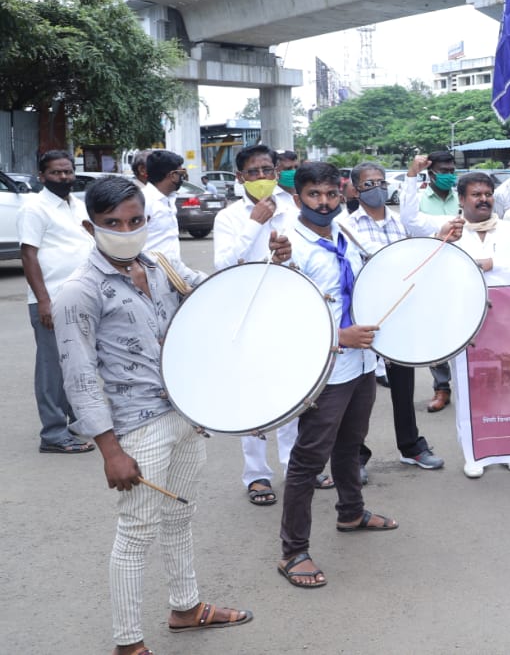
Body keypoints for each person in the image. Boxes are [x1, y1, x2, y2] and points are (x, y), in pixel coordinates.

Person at [56, 176, 272, 652]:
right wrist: (109, 451)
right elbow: (79, 377)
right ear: (90, 227)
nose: (125, 230)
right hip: (135, 427)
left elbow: (219, 298)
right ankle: (128, 642)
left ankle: (186, 607)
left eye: (134, 221)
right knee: (136, 532)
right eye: (112, 223)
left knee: (179, 515)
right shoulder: (79, 291)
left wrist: (270, 263)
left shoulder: (162, 268)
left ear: (146, 221)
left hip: (184, 412)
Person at [277, 161, 395, 590]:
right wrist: (338, 335)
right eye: (314, 195)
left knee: (351, 444)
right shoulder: (288, 246)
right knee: (308, 459)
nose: (324, 203)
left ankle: (351, 511)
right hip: (324, 366)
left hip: (362, 363)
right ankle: (293, 551)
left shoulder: (346, 231)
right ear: (297, 198)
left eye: (330, 194)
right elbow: (279, 315)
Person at [212, 144, 326, 505]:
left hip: (289, 307)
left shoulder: (294, 209)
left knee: (294, 392)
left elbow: (312, 256)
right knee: (254, 393)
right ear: (239, 177)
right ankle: (257, 475)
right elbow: (224, 266)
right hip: (247, 311)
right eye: (252, 172)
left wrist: (290, 256)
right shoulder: (229, 218)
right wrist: (253, 225)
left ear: (277, 172)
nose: (261, 178)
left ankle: (295, 465)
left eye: (266, 170)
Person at [340, 161, 451, 474]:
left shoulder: (402, 223)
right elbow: (378, 262)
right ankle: (355, 456)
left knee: (404, 386)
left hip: (400, 313)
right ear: (355, 189)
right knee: (358, 391)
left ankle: (411, 446)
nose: (376, 189)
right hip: (364, 315)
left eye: (380, 182)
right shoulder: (347, 226)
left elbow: (423, 248)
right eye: (368, 184)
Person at [450, 171, 510, 478]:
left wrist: (492, 264)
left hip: (508, 318)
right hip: (465, 320)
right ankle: (475, 452)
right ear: (461, 199)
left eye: (488, 194)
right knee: (470, 387)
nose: (484, 199)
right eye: (476, 194)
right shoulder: (451, 233)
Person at [19, 149, 95, 454]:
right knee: (52, 368)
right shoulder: (35, 208)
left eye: (68, 171)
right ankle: (53, 433)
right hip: (51, 299)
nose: (64, 177)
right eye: (56, 173)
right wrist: (43, 301)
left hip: (81, 297)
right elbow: (28, 254)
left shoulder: (76, 204)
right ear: (42, 176)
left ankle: (77, 424)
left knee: (77, 364)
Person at [401, 152, 462, 413]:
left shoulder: (462, 198)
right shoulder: (420, 201)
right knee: (437, 332)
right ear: (432, 173)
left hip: (462, 272)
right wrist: (412, 174)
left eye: (452, 170)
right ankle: (441, 387)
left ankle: (472, 388)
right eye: (443, 170)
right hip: (432, 275)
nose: (449, 174)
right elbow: (410, 221)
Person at [141, 149, 187, 261]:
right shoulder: (143, 201)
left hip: (173, 271)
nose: (183, 178)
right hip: (151, 273)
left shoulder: (169, 199)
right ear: (172, 175)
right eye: (181, 173)